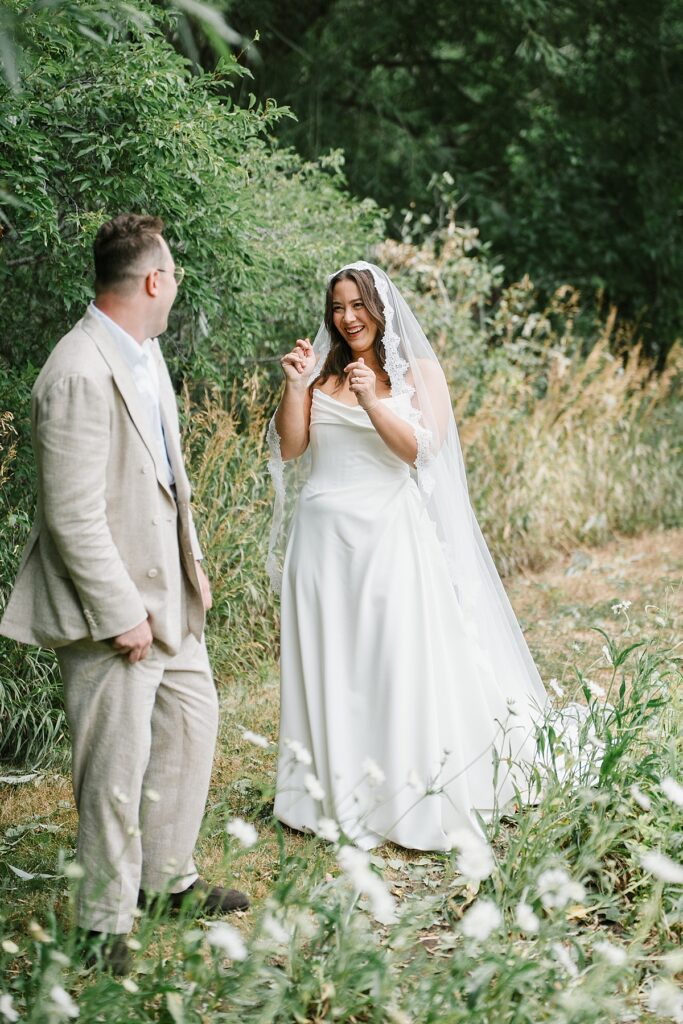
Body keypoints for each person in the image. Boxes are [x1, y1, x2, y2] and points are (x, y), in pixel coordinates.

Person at [0, 213, 248, 974]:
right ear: (150, 280)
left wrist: (192, 563)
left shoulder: (144, 354)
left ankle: (166, 881)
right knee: (112, 769)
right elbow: (72, 515)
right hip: (113, 611)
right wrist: (121, 616)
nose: (175, 286)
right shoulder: (77, 369)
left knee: (190, 725)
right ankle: (102, 926)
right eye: (171, 274)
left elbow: (165, 478)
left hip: (169, 594)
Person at [267, 261, 548, 851]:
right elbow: (292, 449)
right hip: (320, 539)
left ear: (380, 307)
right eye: (338, 308)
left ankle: (400, 791)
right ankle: (329, 791)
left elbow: (423, 452)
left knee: (391, 659)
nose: (347, 319)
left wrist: (374, 403)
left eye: (357, 305)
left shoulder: (417, 371)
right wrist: (295, 387)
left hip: (388, 535)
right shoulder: (322, 375)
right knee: (331, 661)